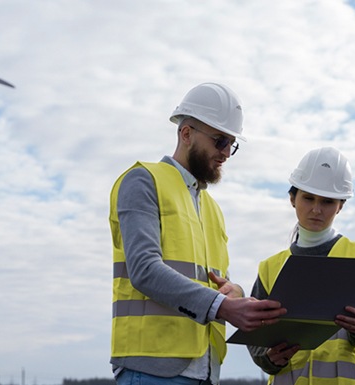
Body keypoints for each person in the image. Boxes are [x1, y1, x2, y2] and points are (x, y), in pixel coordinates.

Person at [109, 82, 287, 385]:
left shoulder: (212, 209)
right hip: (151, 370)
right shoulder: (142, 181)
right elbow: (143, 269)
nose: (226, 153)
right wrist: (224, 307)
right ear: (186, 133)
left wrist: (236, 293)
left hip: (206, 370)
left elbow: (216, 283)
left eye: (232, 144)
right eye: (219, 141)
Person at [247, 147, 355, 385]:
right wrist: (269, 359)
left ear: (340, 206)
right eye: (308, 198)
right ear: (292, 198)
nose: (316, 209)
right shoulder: (270, 268)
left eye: (327, 201)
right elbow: (256, 340)